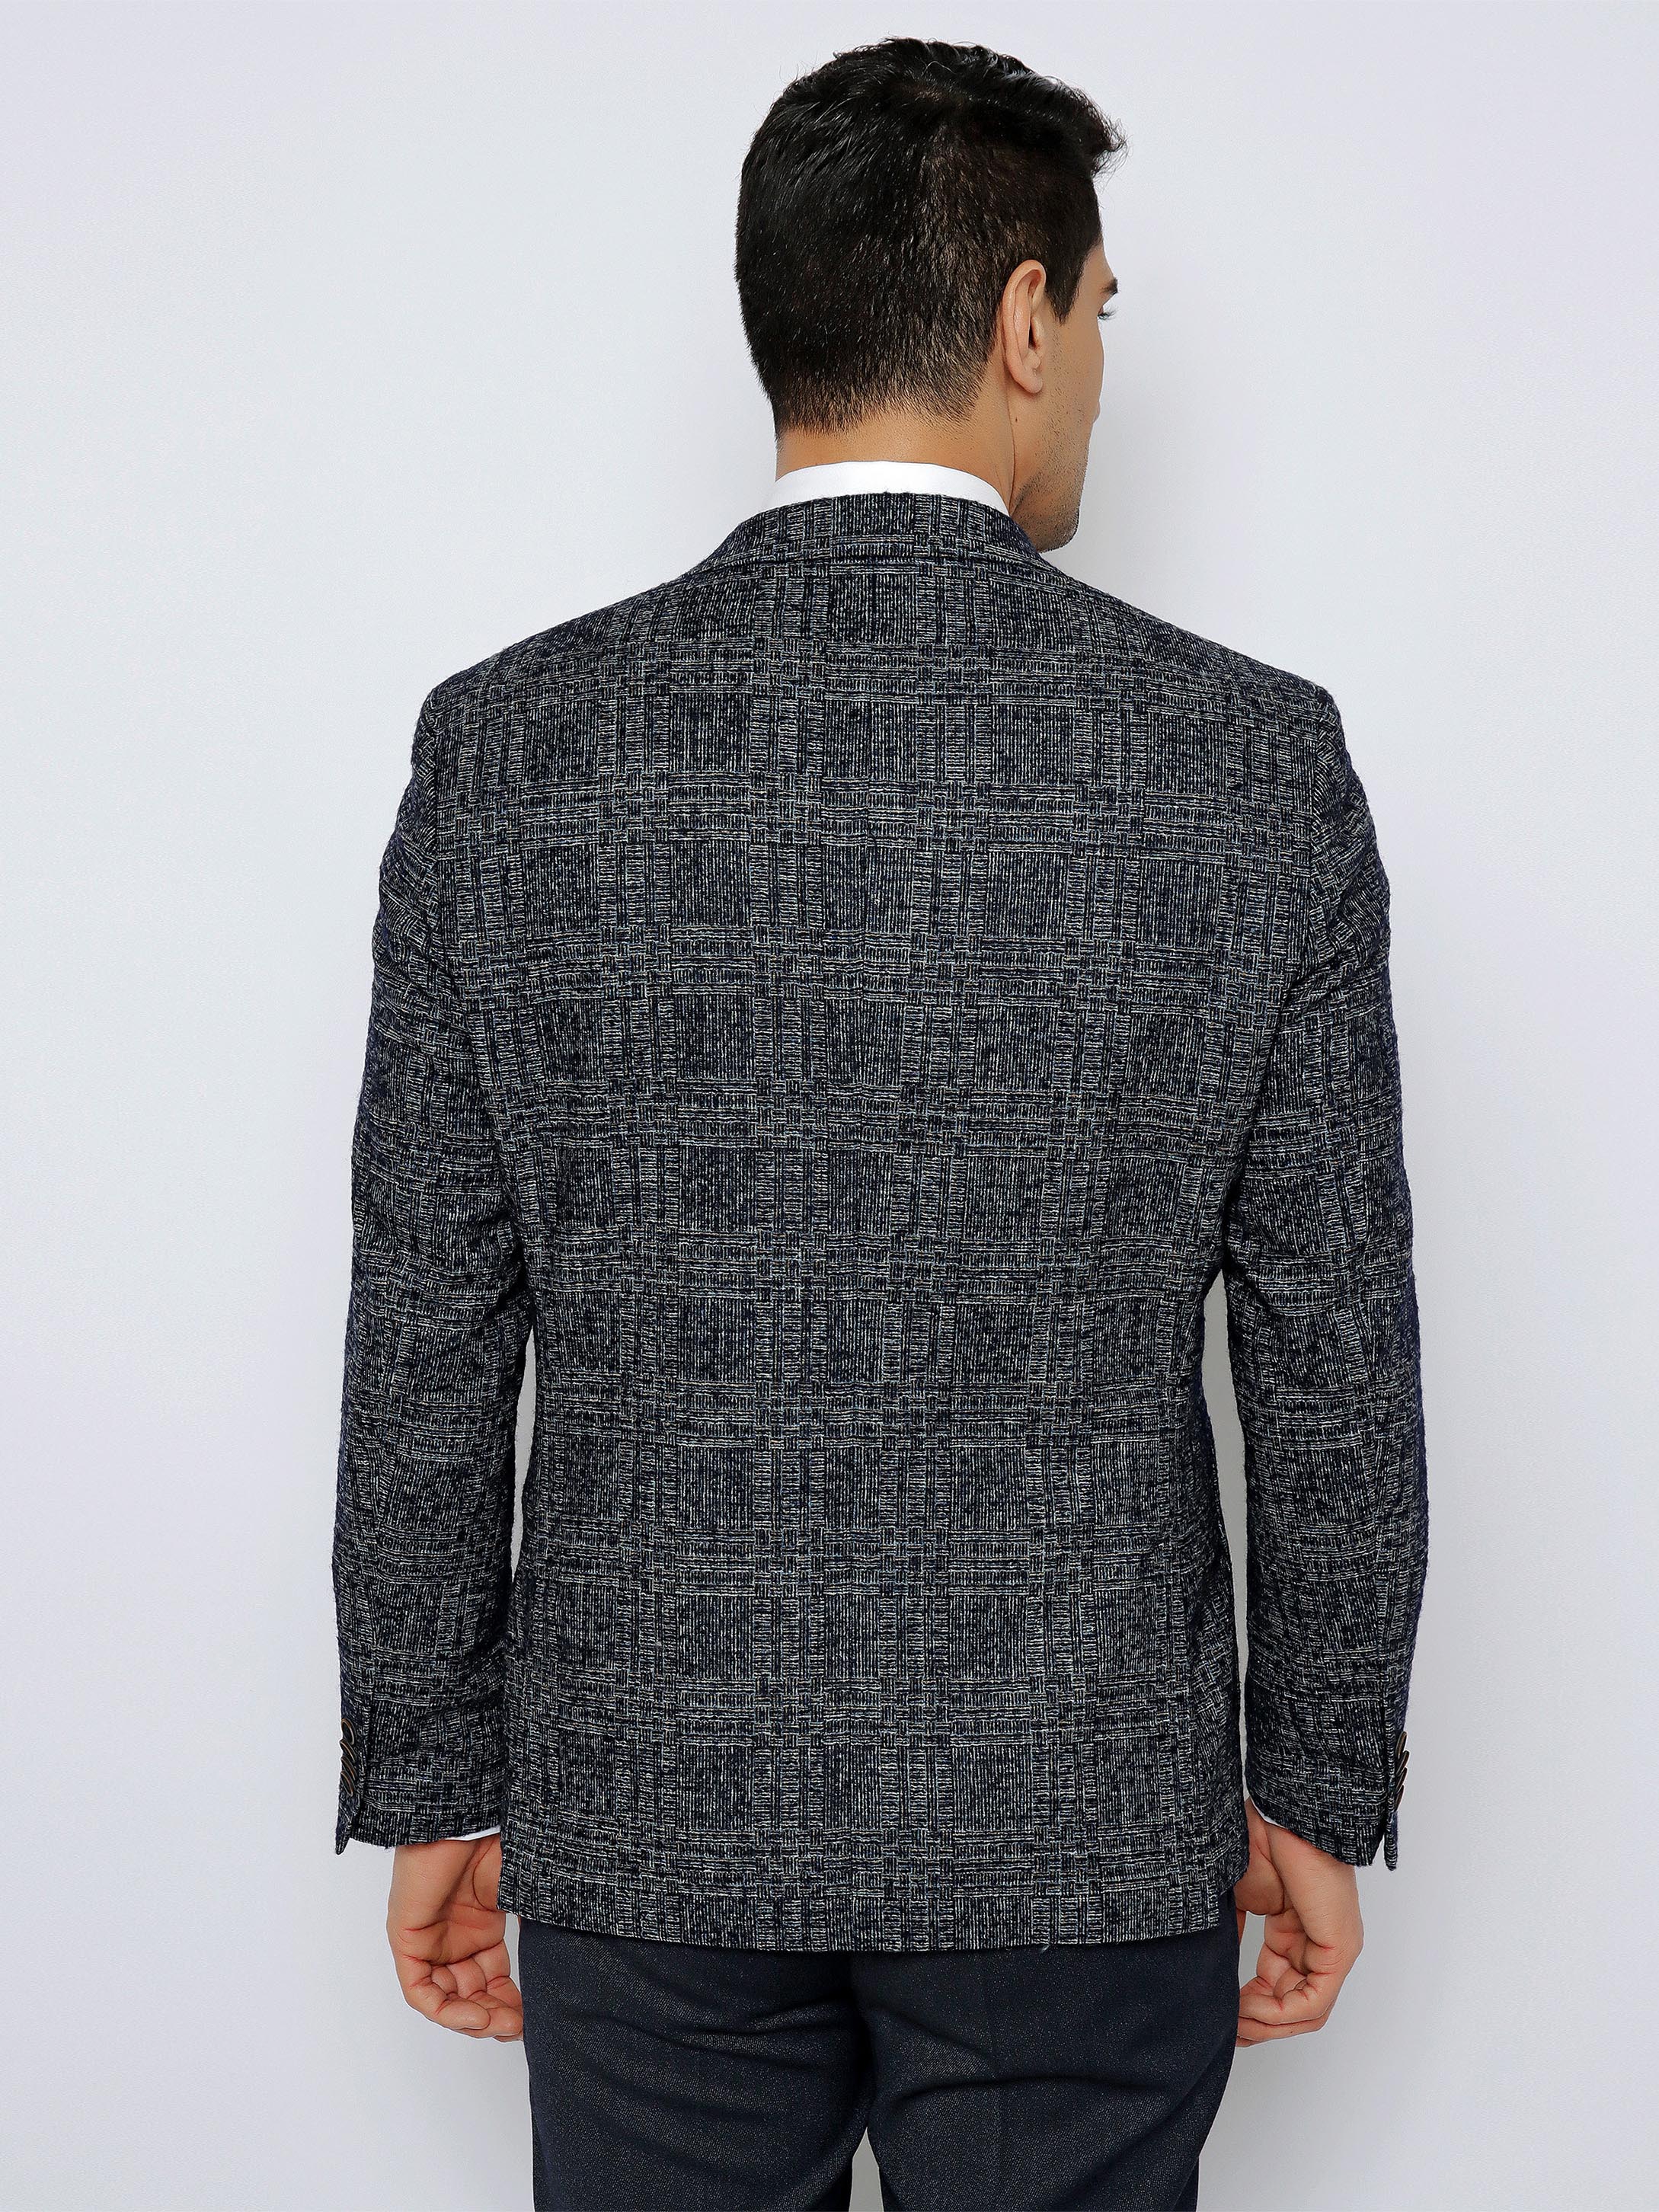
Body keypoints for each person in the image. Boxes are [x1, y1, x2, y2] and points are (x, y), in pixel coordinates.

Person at [331, 37, 1428, 2210]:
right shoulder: (1246, 764)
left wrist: (434, 1766)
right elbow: (1332, 1349)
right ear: (1021, 318)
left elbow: (431, 1320)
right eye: (1097, 312)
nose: (1096, 368)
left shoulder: (513, 754)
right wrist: (1313, 1778)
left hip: (648, 1814)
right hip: (1081, 1822)